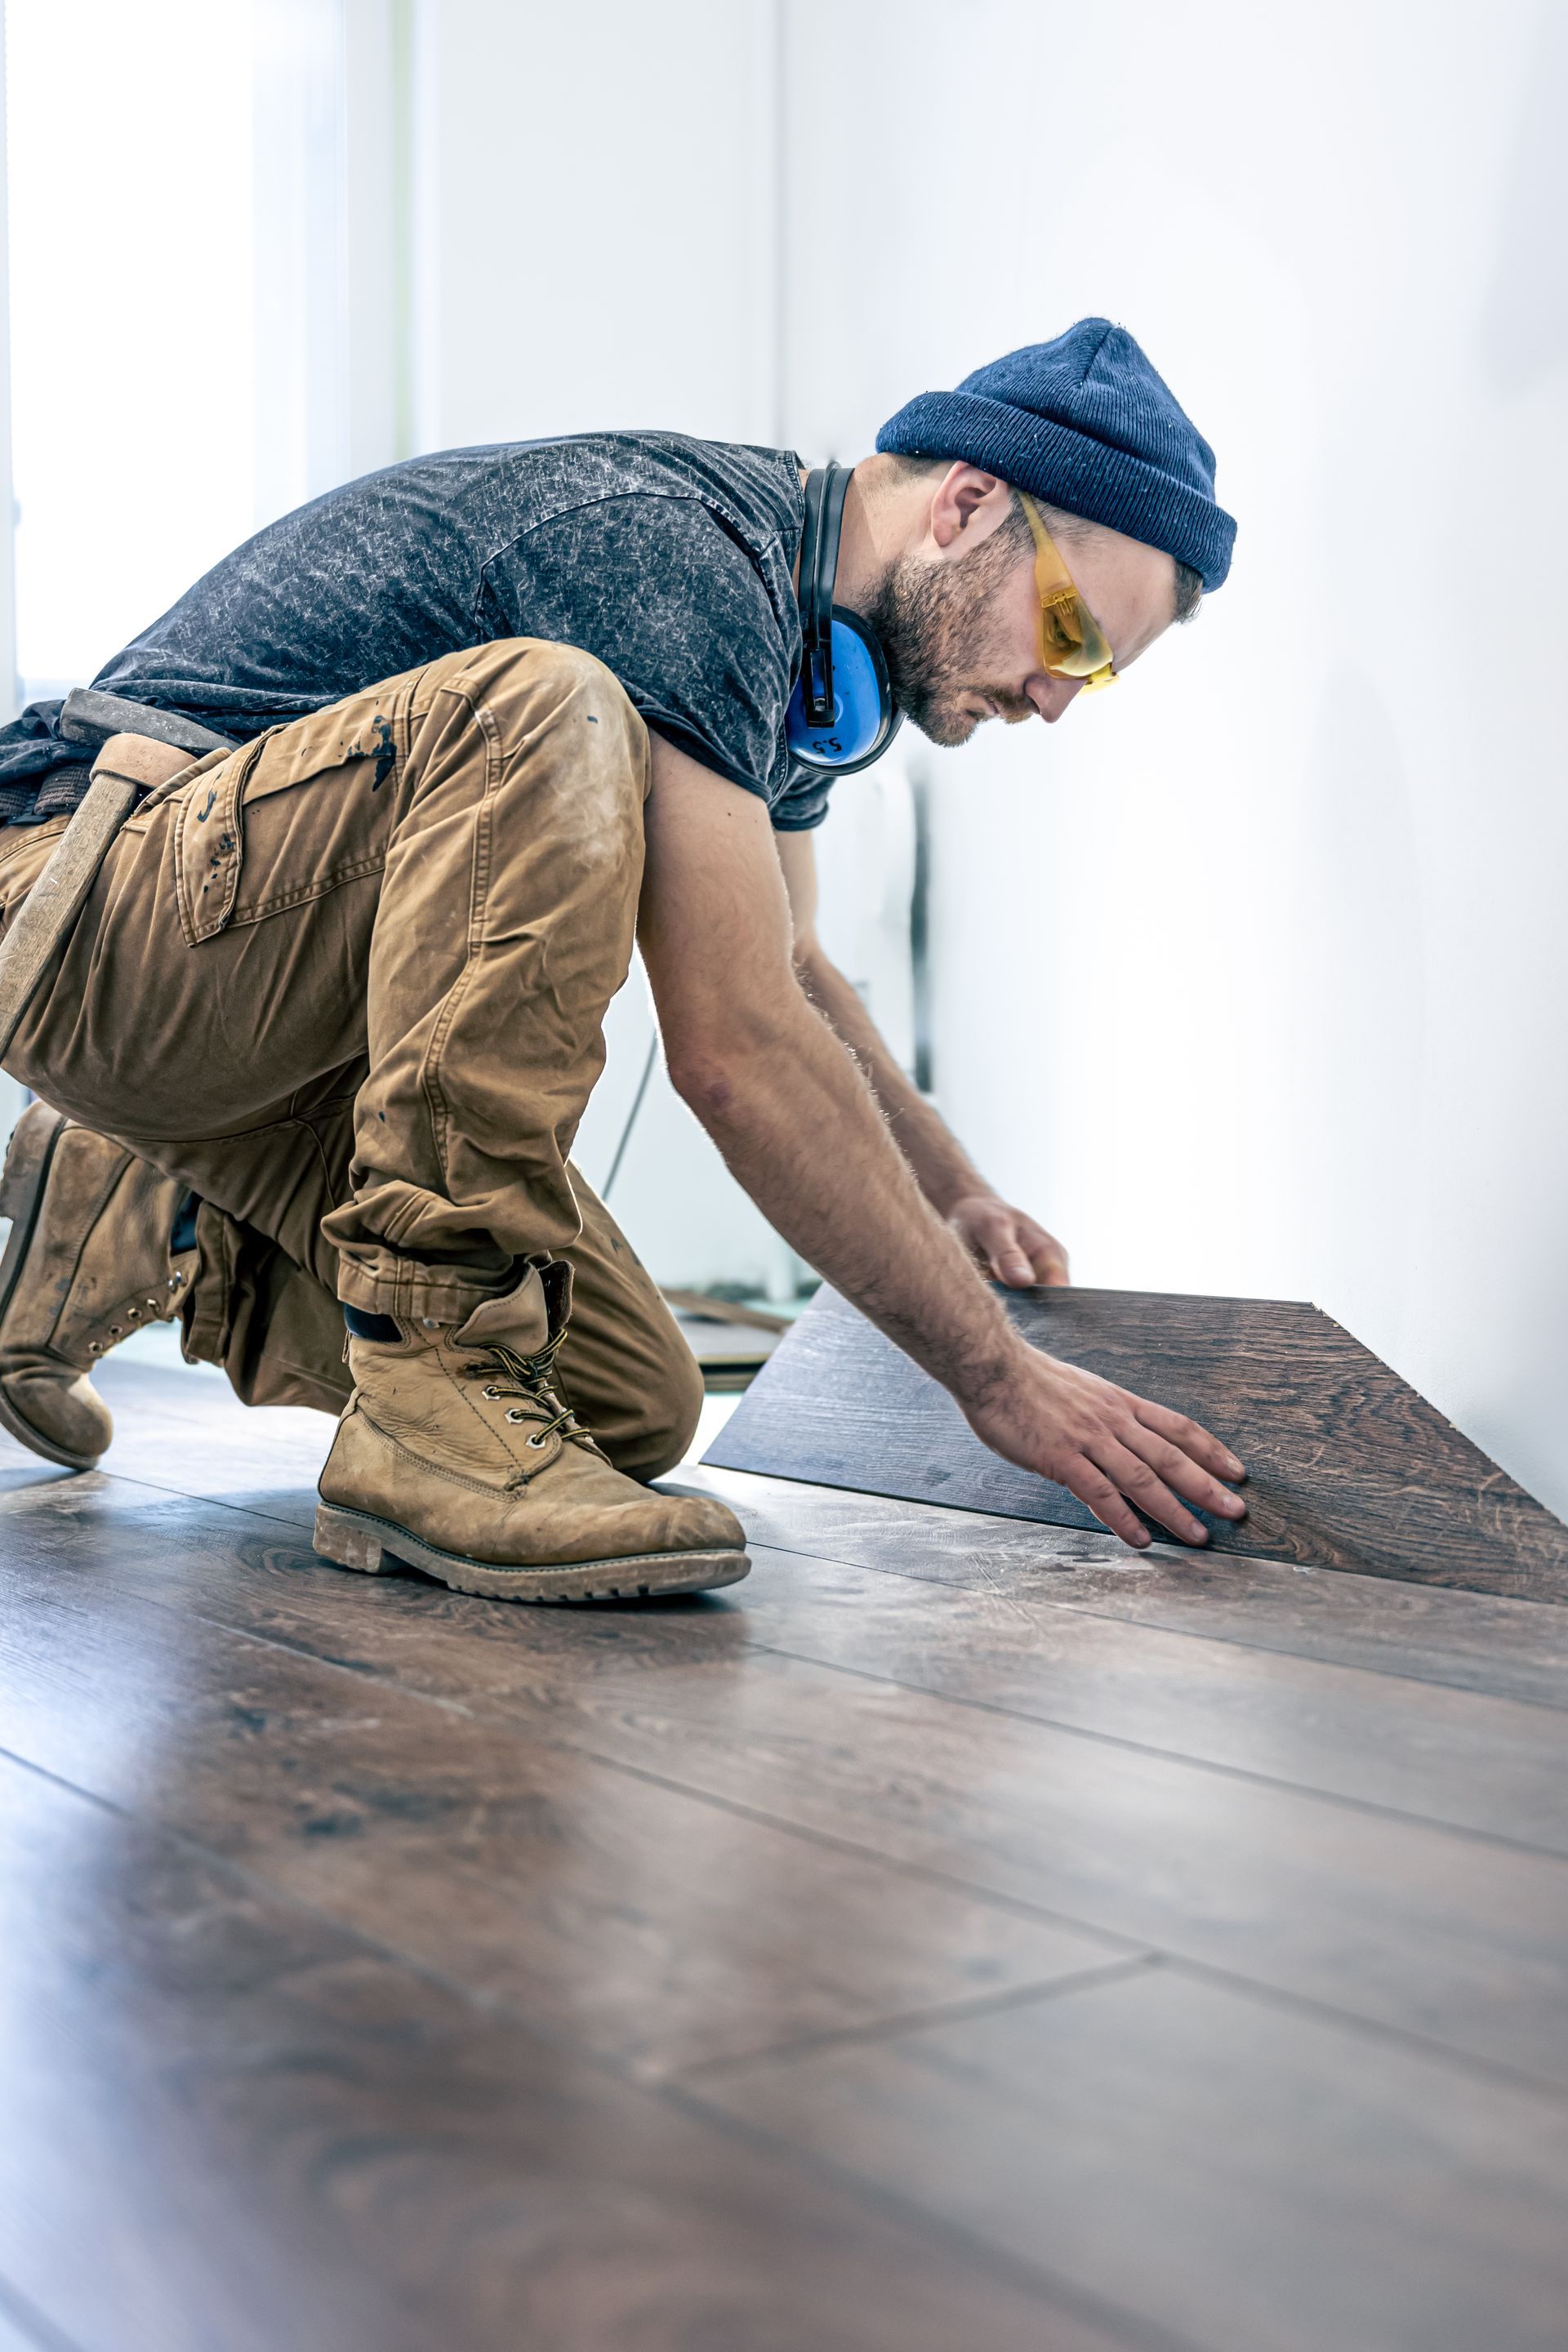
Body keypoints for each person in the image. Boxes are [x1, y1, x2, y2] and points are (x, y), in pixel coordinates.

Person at [0, 317, 1248, 1602]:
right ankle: (428, 1398)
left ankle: (158, 1208)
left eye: (1092, 679)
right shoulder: (674, 555)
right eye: (1072, 634)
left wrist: (955, 1194)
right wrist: (1000, 1382)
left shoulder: (801, 656)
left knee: (625, 1404)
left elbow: (797, 967)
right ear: (968, 504)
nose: (1055, 697)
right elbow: (739, 1049)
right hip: (72, 895)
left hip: (258, 1014)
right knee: (552, 706)